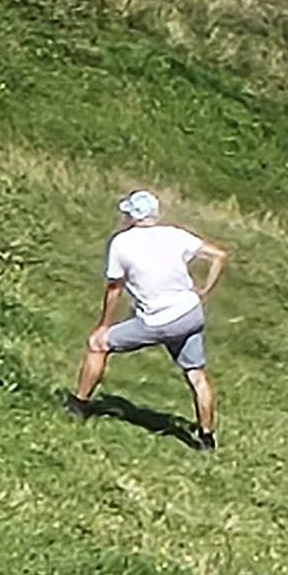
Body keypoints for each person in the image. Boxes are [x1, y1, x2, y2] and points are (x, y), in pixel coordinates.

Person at [72, 190, 226, 450]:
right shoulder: (175, 234)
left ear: (132, 216)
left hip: (157, 321)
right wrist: (204, 291)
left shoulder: (122, 243)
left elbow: (114, 288)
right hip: (190, 314)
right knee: (196, 374)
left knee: (98, 345)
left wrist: (103, 325)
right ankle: (207, 437)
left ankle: (79, 405)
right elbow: (219, 255)